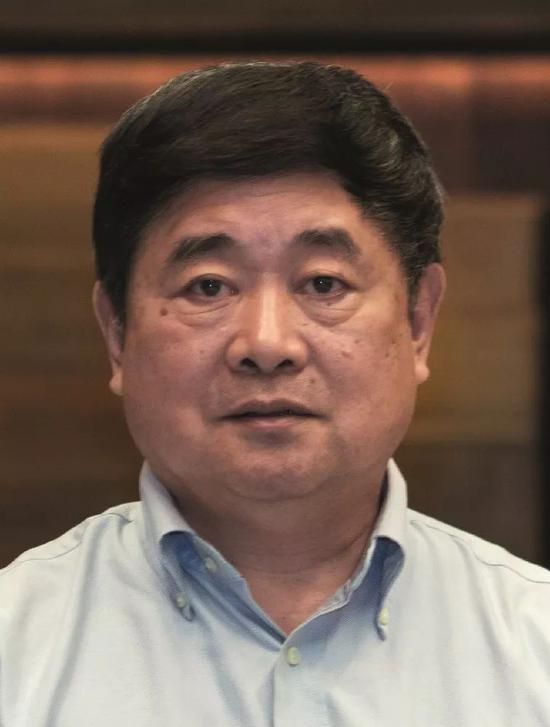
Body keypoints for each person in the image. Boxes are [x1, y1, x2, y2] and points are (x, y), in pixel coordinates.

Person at [1, 60, 549, 727]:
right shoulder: (16, 650)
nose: (266, 343)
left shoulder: (535, 645)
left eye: (323, 283)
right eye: (208, 286)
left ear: (418, 322)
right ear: (117, 334)